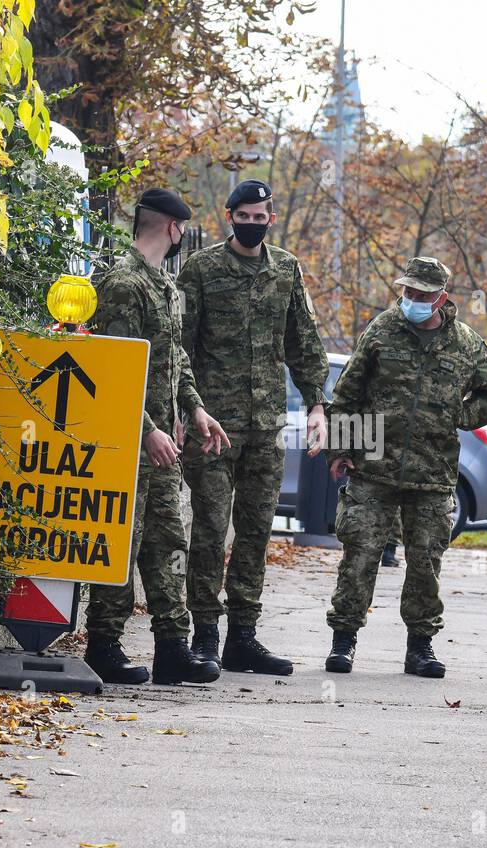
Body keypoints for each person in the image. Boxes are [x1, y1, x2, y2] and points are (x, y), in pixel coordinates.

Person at [323, 257, 487, 678]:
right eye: (407, 292)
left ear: (441, 298)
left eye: (422, 295)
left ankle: (420, 648)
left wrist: (462, 416)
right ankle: (343, 641)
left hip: (432, 471)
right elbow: (347, 392)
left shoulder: (464, 343)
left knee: (426, 562)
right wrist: (341, 449)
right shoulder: (382, 330)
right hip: (373, 466)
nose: (411, 300)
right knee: (359, 556)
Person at [177, 179, 329, 675]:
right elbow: (181, 346)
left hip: (265, 427)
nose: (252, 223)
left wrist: (316, 405)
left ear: (270, 219)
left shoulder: (285, 269)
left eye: (260, 216)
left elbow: (302, 340)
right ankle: (204, 635)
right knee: (209, 530)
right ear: (229, 217)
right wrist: (186, 410)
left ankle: (243, 636)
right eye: (244, 216)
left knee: (255, 534)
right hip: (212, 427)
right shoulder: (201, 269)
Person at [84, 188, 230, 686]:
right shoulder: (124, 284)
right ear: (173, 229)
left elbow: (175, 361)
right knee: (123, 540)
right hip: (129, 442)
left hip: (163, 443)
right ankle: (102, 644)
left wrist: (196, 408)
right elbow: (110, 367)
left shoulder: (163, 286)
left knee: (168, 541)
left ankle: (173, 647)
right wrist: (145, 430)